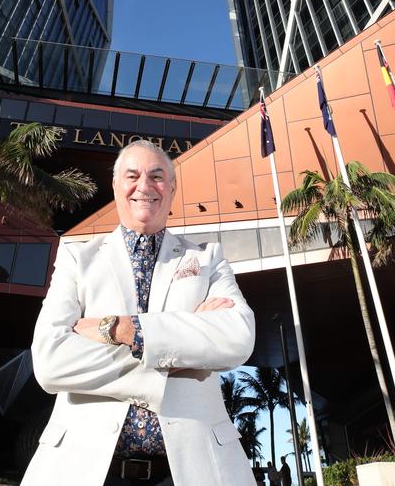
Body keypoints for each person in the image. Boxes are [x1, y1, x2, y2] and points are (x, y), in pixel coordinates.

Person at [21, 140, 256, 486]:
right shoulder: (76, 258)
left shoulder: (208, 259)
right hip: (86, 469)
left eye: (157, 176)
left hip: (192, 472)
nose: (144, 186)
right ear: (116, 185)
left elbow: (237, 338)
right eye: (132, 175)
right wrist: (178, 348)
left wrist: (123, 331)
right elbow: (50, 362)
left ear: (172, 188)